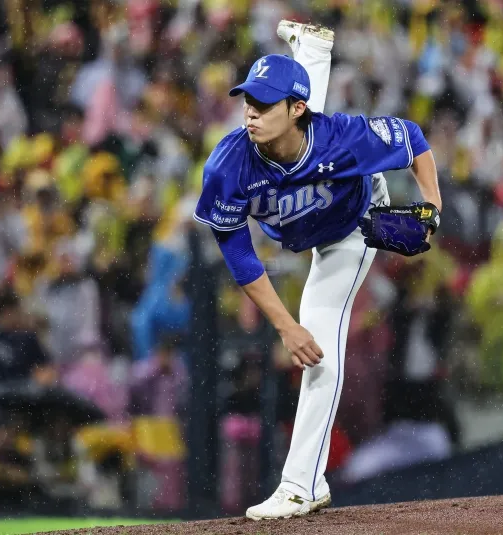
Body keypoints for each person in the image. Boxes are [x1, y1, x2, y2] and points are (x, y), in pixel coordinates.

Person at [192, 20, 443, 520]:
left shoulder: (341, 139)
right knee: (303, 333)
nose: (250, 113)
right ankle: (312, 49)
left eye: (263, 105)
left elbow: (412, 138)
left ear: (294, 108)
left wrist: (433, 208)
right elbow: (239, 254)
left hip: (352, 227)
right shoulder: (228, 164)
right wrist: (284, 325)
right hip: (304, 230)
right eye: (248, 100)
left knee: (319, 350)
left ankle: (301, 484)